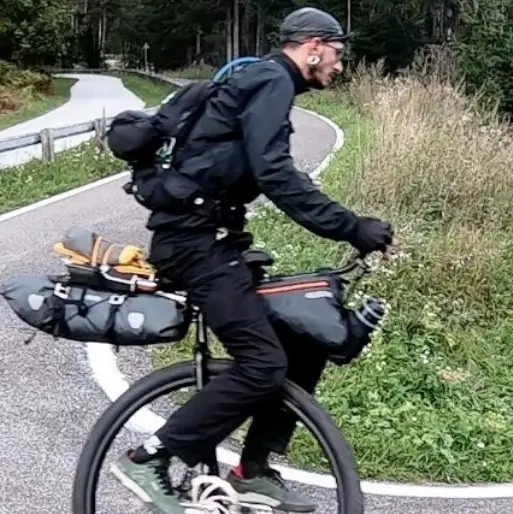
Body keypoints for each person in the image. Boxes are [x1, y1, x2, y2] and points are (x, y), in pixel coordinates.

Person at [113, 6, 393, 514]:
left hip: (215, 240)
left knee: (303, 343)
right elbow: (276, 174)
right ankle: (149, 457)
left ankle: (253, 468)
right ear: (312, 46)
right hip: (195, 245)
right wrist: (351, 227)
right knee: (263, 364)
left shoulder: (258, 79)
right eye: (336, 53)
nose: (339, 65)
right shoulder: (270, 81)